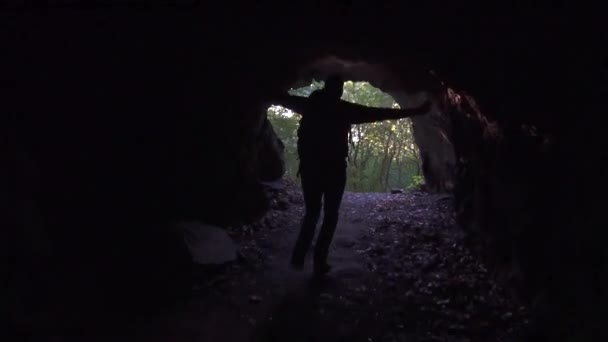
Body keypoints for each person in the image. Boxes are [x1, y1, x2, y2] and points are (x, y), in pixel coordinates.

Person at [271, 74, 431, 276]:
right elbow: (378, 113)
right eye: (340, 88)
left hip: (310, 169)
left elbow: (281, 99)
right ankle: (319, 262)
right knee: (330, 215)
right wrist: (416, 110)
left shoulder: (308, 105)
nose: (339, 91)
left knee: (312, 213)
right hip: (334, 169)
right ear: (337, 90)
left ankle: (298, 257)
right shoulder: (343, 109)